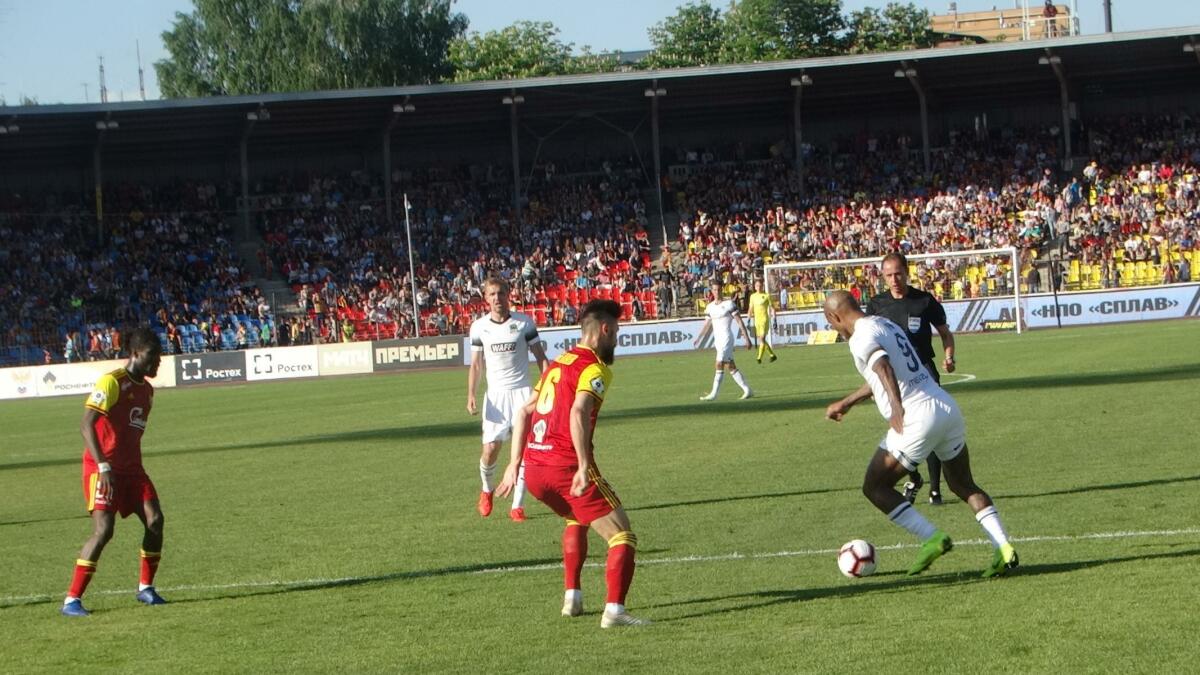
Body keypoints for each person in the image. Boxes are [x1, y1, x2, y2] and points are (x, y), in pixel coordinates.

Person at [821, 291, 1019, 578]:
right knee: (963, 484)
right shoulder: (884, 324)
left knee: (875, 486)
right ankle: (1003, 547)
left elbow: (883, 367)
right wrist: (847, 402)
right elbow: (884, 373)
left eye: (830, 323)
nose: (833, 328)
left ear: (834, 316)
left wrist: (897, 408)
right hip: (945, 407)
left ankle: (932, 538)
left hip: (917, 416)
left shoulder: (860, 337)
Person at [495, 299, 649, 628]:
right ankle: (615, 612)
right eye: (616, 333)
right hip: (565, 466)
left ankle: (572, 599)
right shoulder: (594, 368)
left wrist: (513, 465)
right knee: (622, 535)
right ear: (604, 330)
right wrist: (582, 466)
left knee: (576, 518)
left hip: (535, 470)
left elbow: (524, 411)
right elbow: (578, 411)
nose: (616, 340)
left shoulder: (557, 364)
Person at [61, 326, 168, 617]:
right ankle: (72, 600)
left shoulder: (147, 391)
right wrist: (104, 466)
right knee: (104, 530)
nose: (157, 362)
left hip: (133, 470)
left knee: (155, 520)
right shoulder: (112, 382)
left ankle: (146, 588)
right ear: (135, 353)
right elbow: (86, 425)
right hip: (103, 468)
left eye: (159, 357)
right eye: (152, 356)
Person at [866, 253, 956, 506]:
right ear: (883, 276)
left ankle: (935, 490)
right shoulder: (876, 305)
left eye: (898, 274)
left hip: (924, 372)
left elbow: (945, 334)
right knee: (902, 430)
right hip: (893, 377)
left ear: (907, 272)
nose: (894, 279)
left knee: (931, 428)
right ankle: (914, 478)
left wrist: (949, 357)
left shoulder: (924, 301)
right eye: (889, 275)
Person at [467, 277, 549, 522]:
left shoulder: (524, 323)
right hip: (496, 395)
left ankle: (517, 506)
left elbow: (540, 356)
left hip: (523, 394)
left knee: (523, 450)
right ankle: (486, 489)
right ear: (486, 298)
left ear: (508, 295)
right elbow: (476, 365)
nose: (497, 298)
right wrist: (471, 394)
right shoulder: (479, 327)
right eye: (492, 294)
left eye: (501, 293)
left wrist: (548, 386)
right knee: (490, 449)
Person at [694, 281, 754, 400]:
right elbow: (707, 324)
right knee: (730, 365)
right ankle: (747, 390)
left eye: (719, 290)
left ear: (722, 290)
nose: (717, 292)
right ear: (712, 291)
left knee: (719, 363)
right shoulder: (710, 307)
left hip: (727, 338)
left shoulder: (729, 304)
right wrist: (699, 338)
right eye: (715, 290)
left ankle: (714, 394)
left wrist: (747, 338)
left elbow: (739, 321)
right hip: (718, 340)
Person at [747, 278, 778, 364]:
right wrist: (748, 319)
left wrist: (774, 319)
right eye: (757, 286)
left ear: (763, 286)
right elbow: (750, 308)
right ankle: (772, 355)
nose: (759, 287)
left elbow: (772, 308)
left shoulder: (766, 296)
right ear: (755, 287)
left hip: (764, 320)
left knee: (762, 338)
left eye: (760, 286)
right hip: (757, 321)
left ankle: (759, 358)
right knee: (761, 340)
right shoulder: (752, 296)